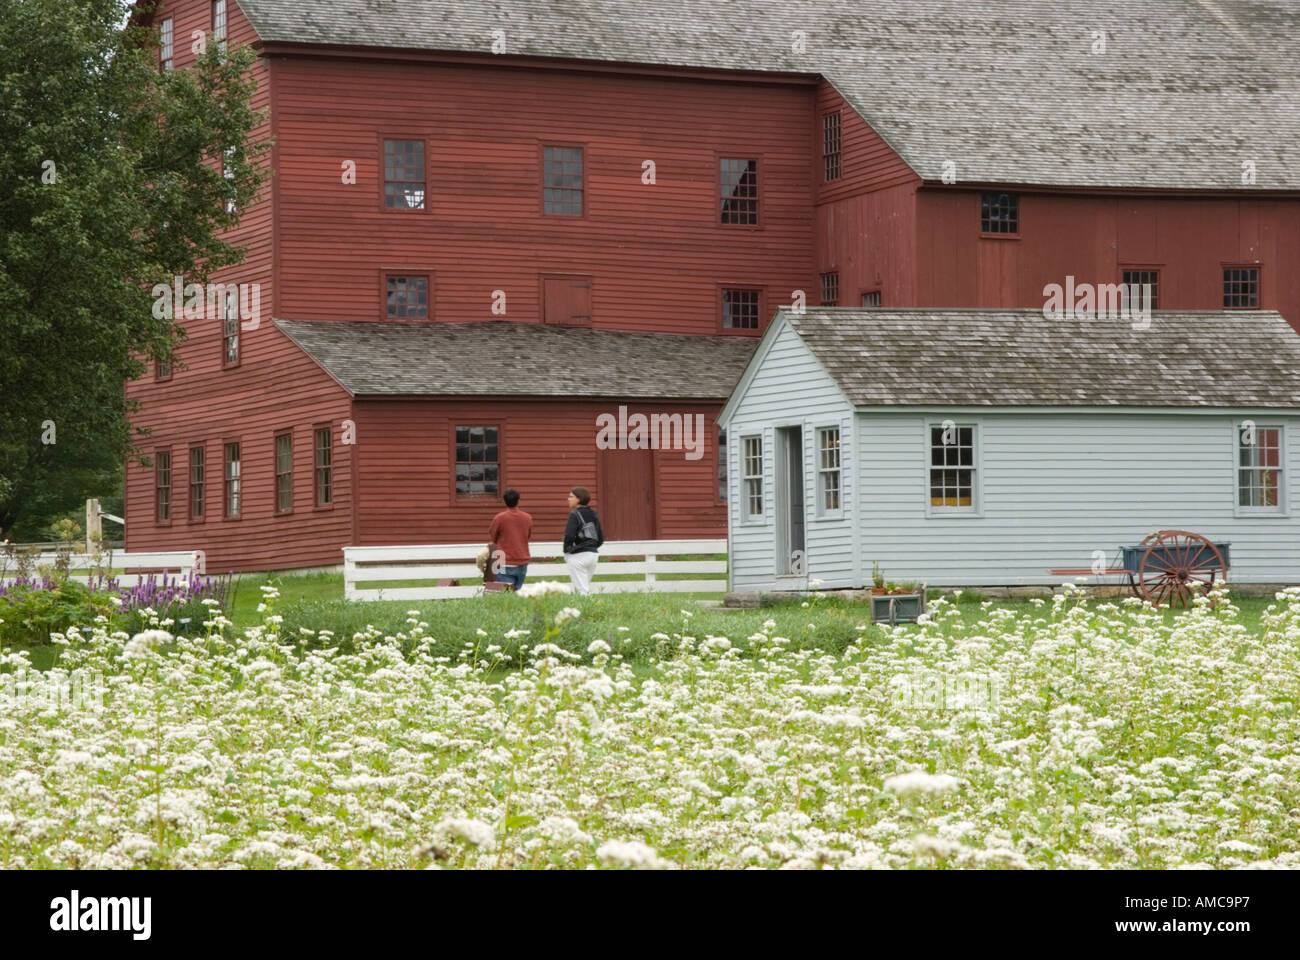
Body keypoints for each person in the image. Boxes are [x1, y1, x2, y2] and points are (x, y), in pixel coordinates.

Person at [488, 489, 532, 591]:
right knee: (517, 591)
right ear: (518, 500)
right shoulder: (527, 518)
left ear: (504, 501)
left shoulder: (499, 518)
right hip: (522, 560)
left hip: (503, 560)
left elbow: (493, 536)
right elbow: (527, 536)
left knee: (503, 593)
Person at [562, 486, 604, 595]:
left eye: (571, 497)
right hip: (593, 555)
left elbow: (569, 535)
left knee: (582, 590)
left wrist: (566, 550)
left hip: (578, 556)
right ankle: (587, 609)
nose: (568, 499)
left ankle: (586, 611)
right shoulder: (593, 514)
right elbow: (600, 537)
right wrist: (591, 547)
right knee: (585, 586)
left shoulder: (574, 514)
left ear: (579, 499)